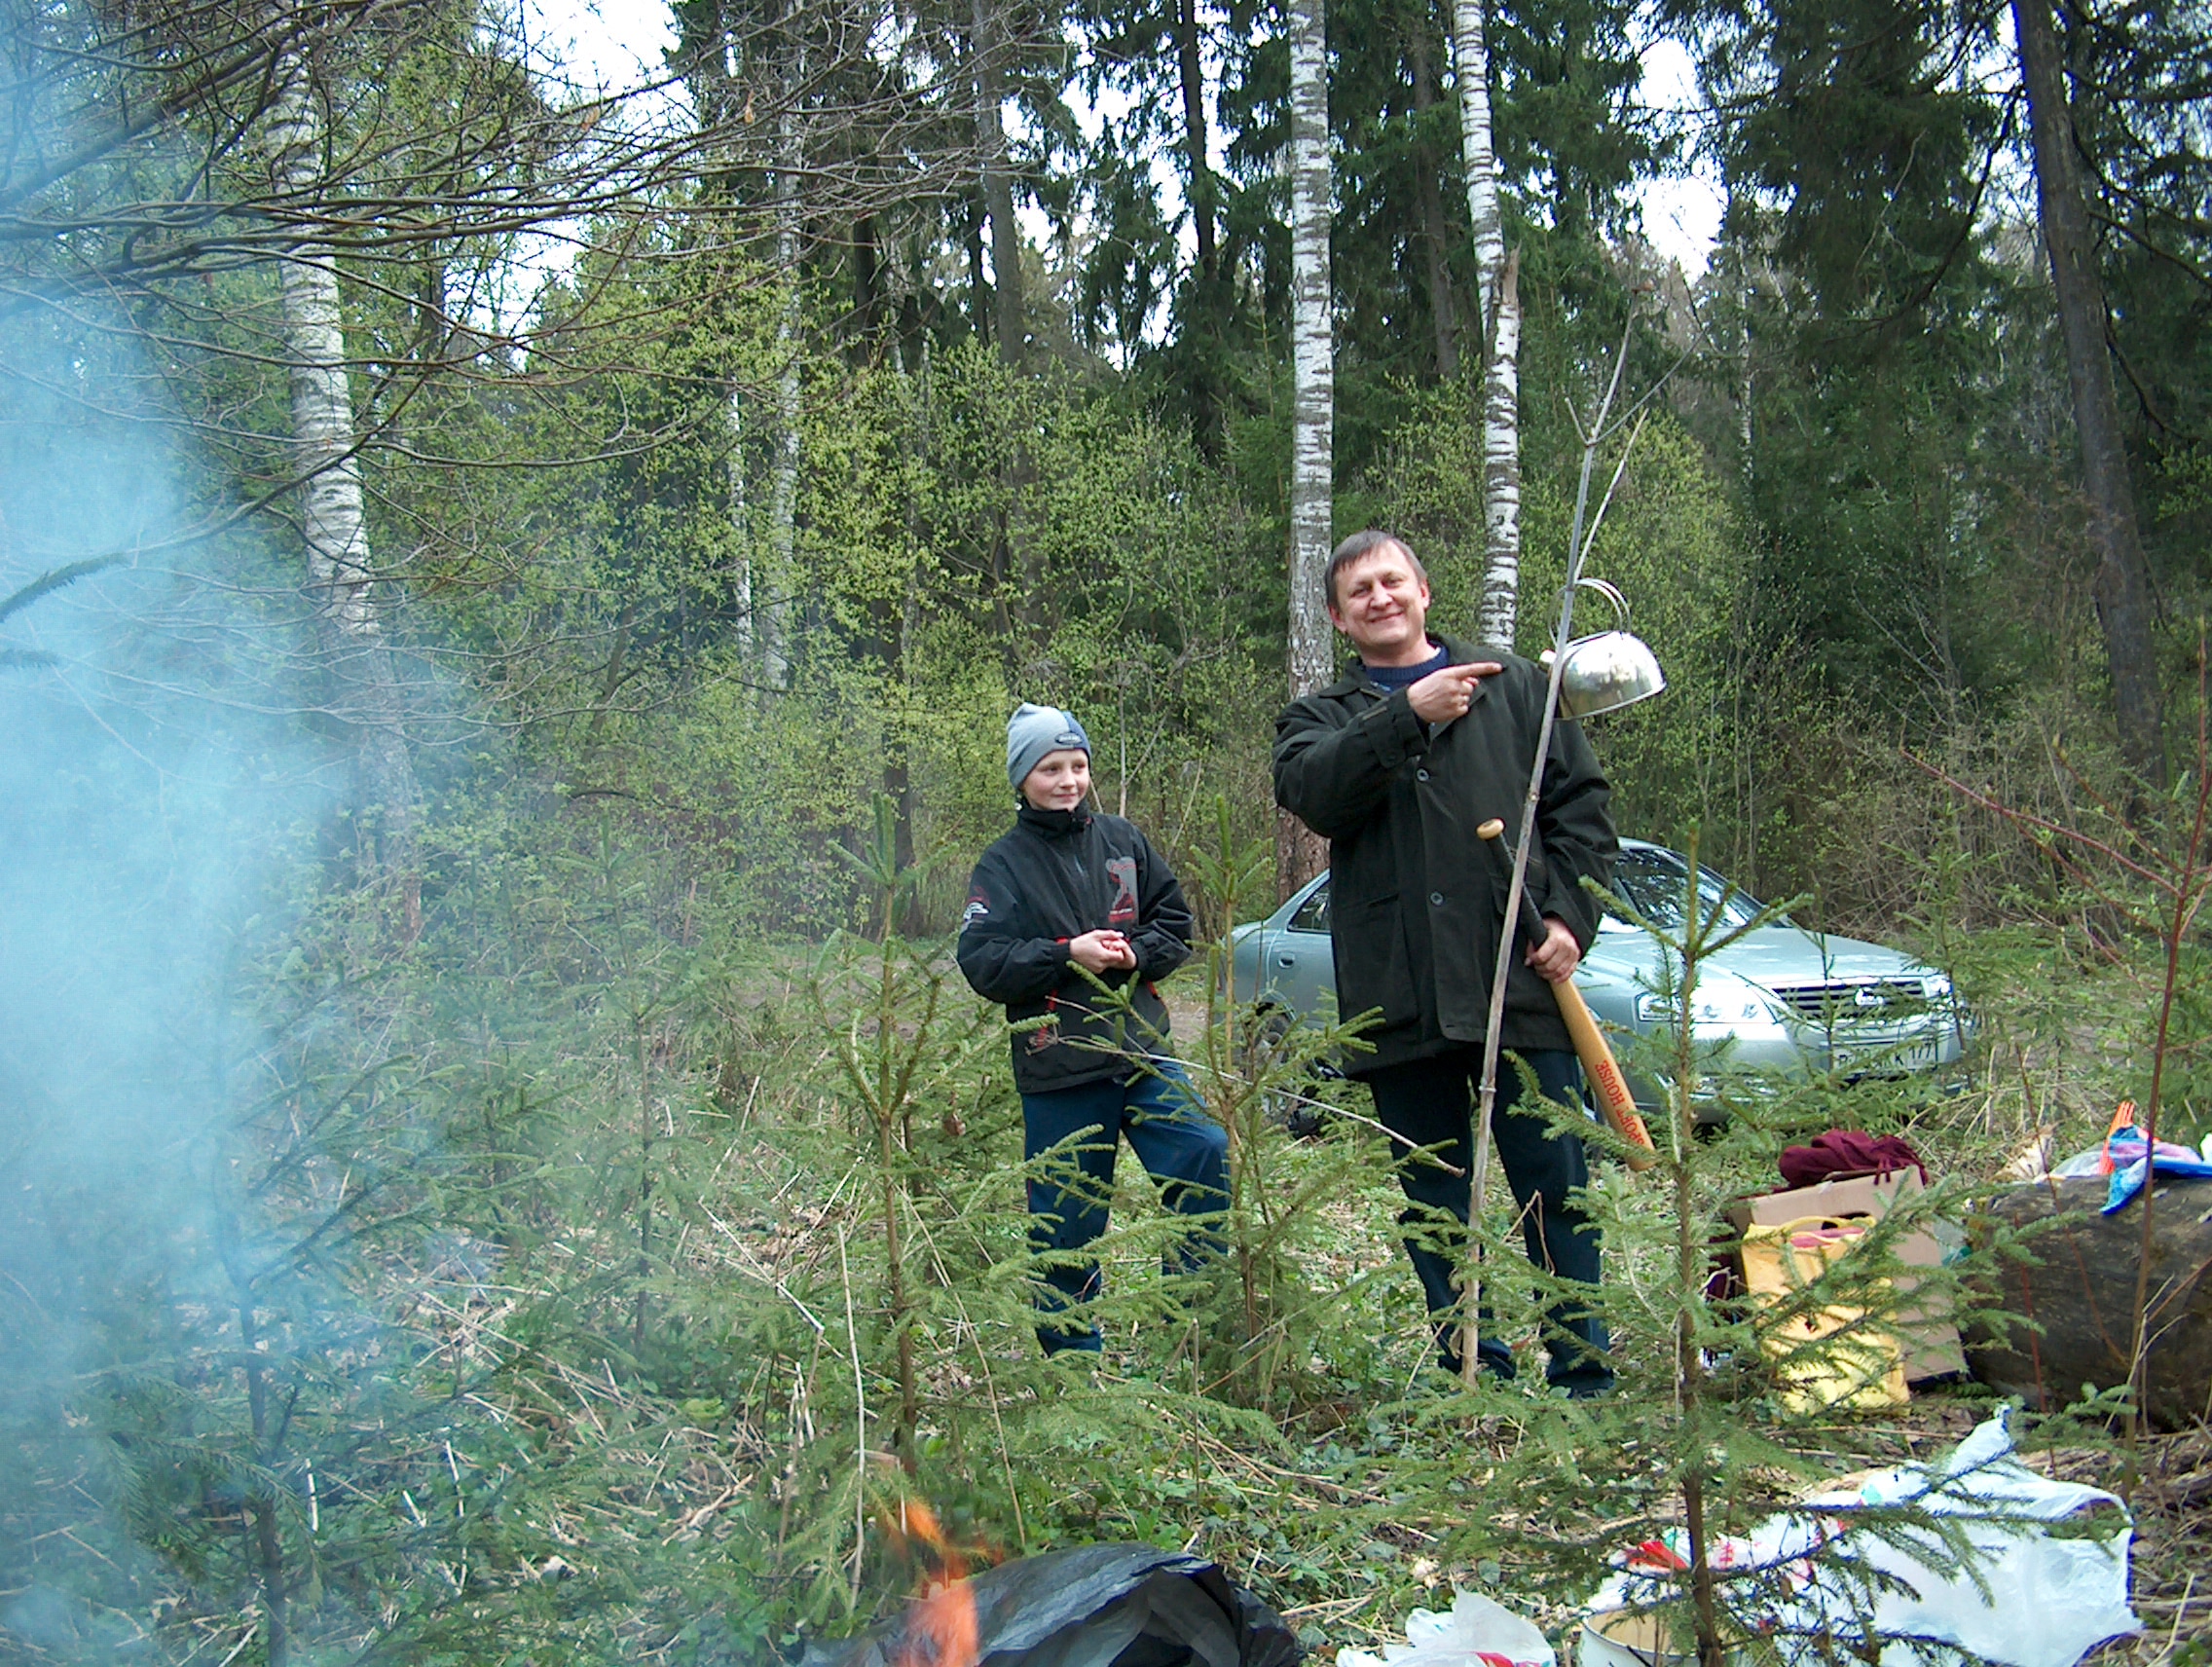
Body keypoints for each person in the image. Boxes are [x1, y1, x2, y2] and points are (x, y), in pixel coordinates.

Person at [1272, 531, 1617, 1395]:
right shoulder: (1317, 719)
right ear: (1337, 618)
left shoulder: (1519, 688)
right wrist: (1408, 716)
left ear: (1423, 591)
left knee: (1556, 1180)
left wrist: (1570, 919)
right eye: (1359, 592)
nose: (1380, 598)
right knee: (1435, 1194)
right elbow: (1315, 796)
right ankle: (1474, 1370)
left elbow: (1582, 812)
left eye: (1392, 581)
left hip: (1519, 981)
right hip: (1399, 994)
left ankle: (1582, 1368)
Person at [957, 703, 1230, 1355]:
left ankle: (1191, 1322)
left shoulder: (1122, 840)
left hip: (1142, 1053)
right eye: (1050, 768)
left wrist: (1135, 954)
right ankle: (1070, 1367)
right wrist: (1066, 953)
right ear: (1022, 778)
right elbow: (983, 961)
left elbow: (1174, 924)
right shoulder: (1003, 864)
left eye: (1077, 765)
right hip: (1059, 1065)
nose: (1068, 780)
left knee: (1204, 1150)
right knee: (1065, 1224)